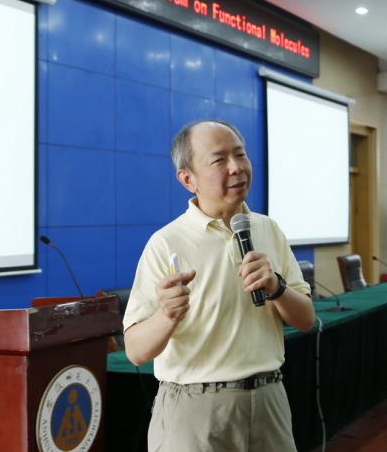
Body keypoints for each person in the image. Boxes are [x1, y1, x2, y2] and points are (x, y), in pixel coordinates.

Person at [123, 119, 314, 452]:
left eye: (240, 155)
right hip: (196, 409)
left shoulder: (268, 230)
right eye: (219, 160)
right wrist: (167, 315)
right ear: (187, 179)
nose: (237, 167)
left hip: (269, 400)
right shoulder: (166, 243)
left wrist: (276, 286)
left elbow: (306, 319)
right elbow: (136, 351)